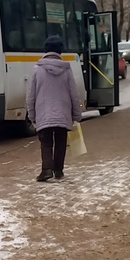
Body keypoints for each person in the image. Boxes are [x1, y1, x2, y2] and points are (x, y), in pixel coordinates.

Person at [26, 35, 82, 182]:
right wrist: (77, 115)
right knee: (61, 141)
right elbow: (74, 94)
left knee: (46, 142)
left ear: (45, 50)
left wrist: (32, 116)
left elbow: (31, 95)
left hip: (43, 113)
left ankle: (46, 170)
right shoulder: (67, 70)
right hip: (63, 114)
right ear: (60, 51)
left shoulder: (37, 70)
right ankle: (58, 170)